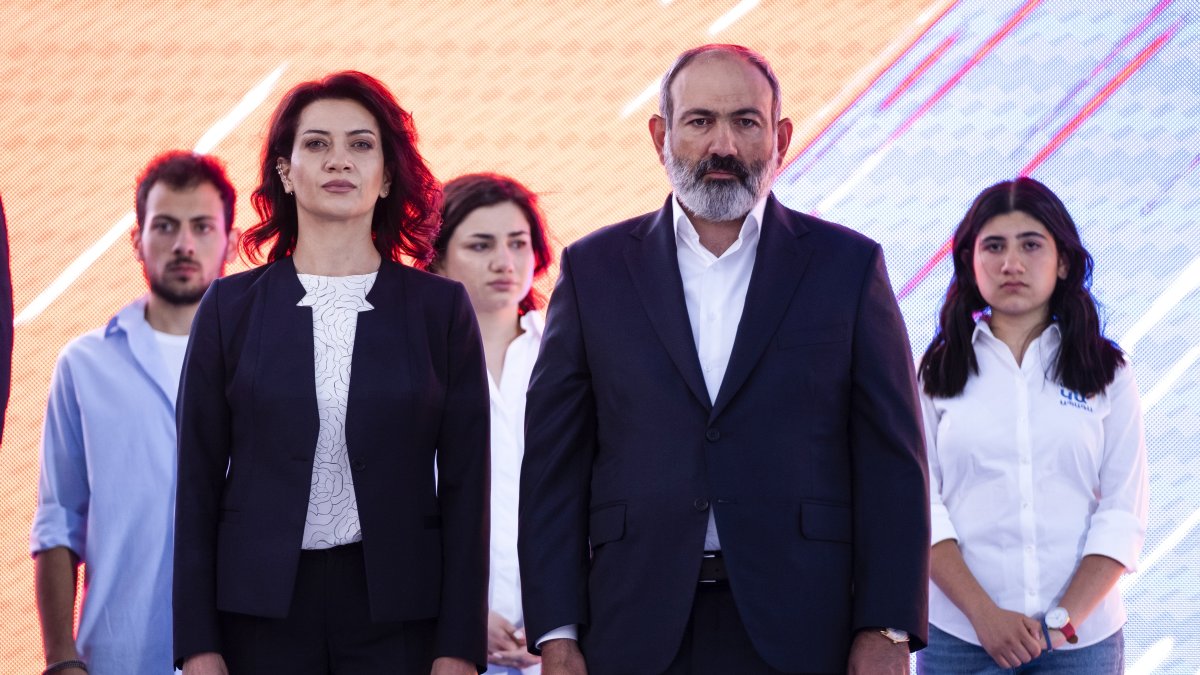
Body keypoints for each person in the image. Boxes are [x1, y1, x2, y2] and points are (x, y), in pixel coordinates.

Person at [517, 44, 929, 675]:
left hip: (806, 626)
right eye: (700, 121)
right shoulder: (593, 270)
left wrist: (889, 626)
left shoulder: (847, 269)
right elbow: (554, 467)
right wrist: (557, 631)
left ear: (781, 137)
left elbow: (892, 463)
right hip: (632, 627)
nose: (724, 146)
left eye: (746, 121)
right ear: (661, 135)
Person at [172, 71, 489, 675]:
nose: (338, 160)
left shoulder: (441, 309)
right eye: (316, 144)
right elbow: (196, 484)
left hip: (398, 616)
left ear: (388, 174)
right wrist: (198, 646)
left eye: (361, 144)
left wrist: (458, 648)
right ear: (285, 173)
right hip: (258, 616)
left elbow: (468, 490)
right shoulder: (229, 308)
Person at [915, 177, 1148, 674]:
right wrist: (984, 617)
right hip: (961, 636)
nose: (1011, 264)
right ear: (970, 262)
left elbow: (1123, 515)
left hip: (1081, 642)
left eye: (1031, 245)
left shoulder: (1108, 371)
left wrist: (1062, 624)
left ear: (1063, 262)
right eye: (994, 246)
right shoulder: (935, 372)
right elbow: (921, 507)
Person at [31, 151, 238, 675]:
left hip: (243, 655)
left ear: (230, 243)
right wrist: (61, 659)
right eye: (164, 226)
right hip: (118, 657)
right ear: (137, 241)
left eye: (202, 227)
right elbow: (59, 523)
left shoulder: (268, 366)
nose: (183, 245)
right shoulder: (84, 365)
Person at [426, 173, 554, 674]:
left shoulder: (568, 354)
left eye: (518, 243)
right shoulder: (409, 362)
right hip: (439, 645)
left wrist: (559, 625)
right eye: (481, 245)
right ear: (436, 256)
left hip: (555, 646)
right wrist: (459, 617)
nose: (505, 261)